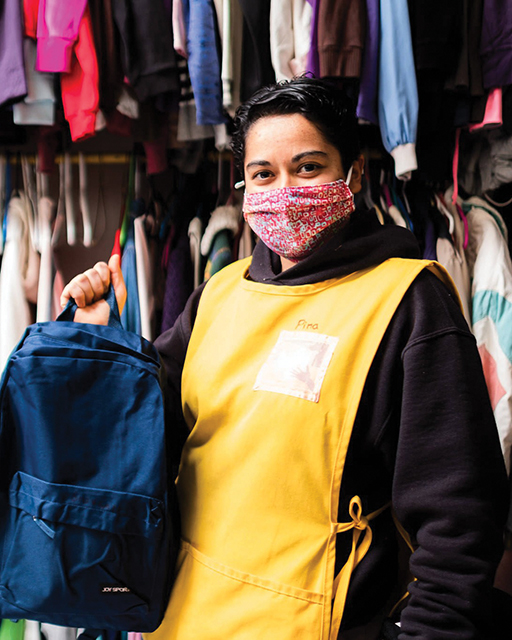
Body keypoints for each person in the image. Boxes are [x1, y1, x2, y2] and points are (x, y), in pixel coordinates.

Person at [61, 77, 509, 640]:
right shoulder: (219, 294)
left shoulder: (410, 304)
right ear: (243, 186)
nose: (285, 189)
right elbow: (137, 444)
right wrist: (98, 338)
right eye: (264, 174)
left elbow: (460, 529)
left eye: (309, 167)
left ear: (356, 174)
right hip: (182, 620)